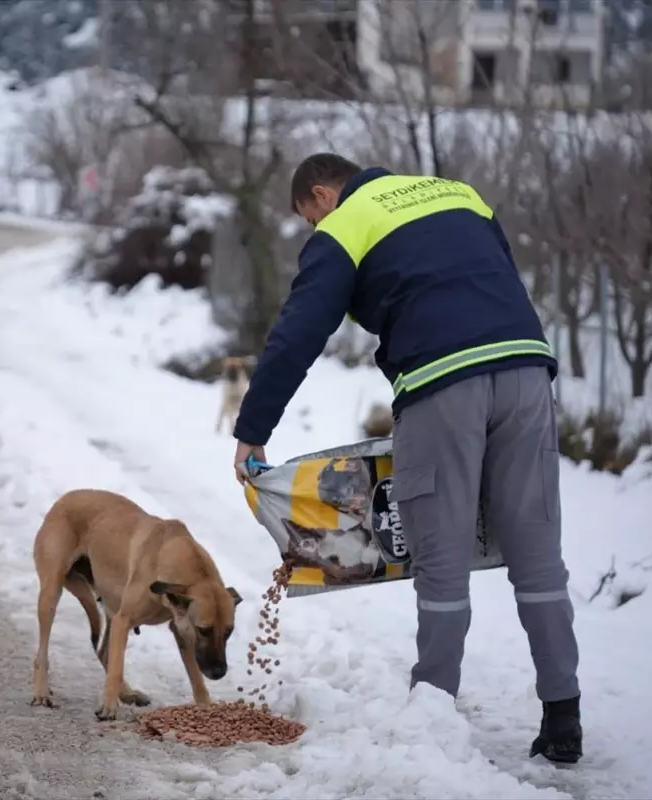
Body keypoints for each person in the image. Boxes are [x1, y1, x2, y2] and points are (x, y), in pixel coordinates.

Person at [231, 153, 583, 764]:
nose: (315, 231)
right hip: (528, 369)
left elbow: (299, 331)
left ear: (322, 194)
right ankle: (564, 718)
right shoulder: (459, 192)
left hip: (442, 382)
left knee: (440, 553)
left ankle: (433, 716)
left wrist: (253, 427)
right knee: (536, 550)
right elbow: (490, 272)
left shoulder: (345, 223)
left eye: (309, 219)